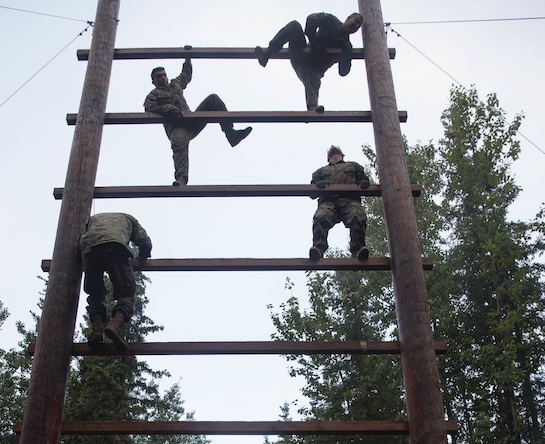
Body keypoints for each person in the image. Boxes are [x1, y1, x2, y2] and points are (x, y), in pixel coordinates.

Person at [144, 48, 252, 186]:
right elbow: (149, 107)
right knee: (179, 145)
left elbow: (186, 75)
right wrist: (168, 109)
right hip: (177, 126)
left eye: (163, 75)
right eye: (158, 76)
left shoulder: (175, 84)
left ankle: (231, 134)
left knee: (214, 99)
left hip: (191, 119)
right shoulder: (154, 94)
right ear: (153, 81)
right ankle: (181, 179)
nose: (162, 78)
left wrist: (187, 57)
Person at [254, 12, 363, 112]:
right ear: (348, 19)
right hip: (301, 55)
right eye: (356, 21)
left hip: (314, 68)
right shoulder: (331, 21)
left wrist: (346, 55)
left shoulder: (345, 45)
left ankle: (312, 108)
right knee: (294, 26)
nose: (356, 26)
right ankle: (266, 54)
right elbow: (311, 19)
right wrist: (314, 43)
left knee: (313, 75)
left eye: (358, 26)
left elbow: (343, 72)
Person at [78, 212, 152, 352]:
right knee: (126, 293)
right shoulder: (130, 219)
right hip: (115, 246)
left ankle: (97, 329)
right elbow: (144, 241)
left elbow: (79, 241)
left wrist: (82, 260)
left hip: (89, 248)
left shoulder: (93, 219)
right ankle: (115, 325)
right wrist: (143, 255)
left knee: (95, 294)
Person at [309, 144, 370, 260]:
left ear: (342, 155)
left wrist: (364, 184)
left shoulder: (354, 166)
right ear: (328, 158)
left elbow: (365, 181)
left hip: (350, 200)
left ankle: (358, 250)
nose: (334, 152)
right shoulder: (320, 172)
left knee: (358, 216)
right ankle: (318, 249)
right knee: (320, 217)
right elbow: (312, 194)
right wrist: (317, 186)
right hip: (328, 202)